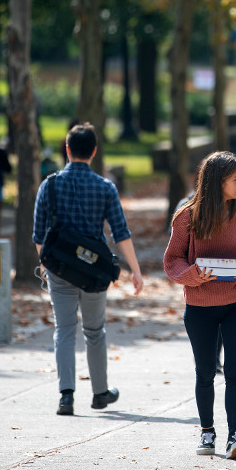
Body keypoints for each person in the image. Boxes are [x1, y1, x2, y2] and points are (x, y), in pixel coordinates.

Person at [33, 122, 144, 416]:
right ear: (94, 152)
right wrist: (135, 270)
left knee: (64, 330)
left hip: (59, 268)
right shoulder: (105, 187)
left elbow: (38, 233)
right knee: (95, 331)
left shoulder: (50, 184)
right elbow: (120, 232)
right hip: (93, 272)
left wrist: (45, 264)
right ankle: (99, 393)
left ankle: (66, 395)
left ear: (67, 150)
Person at [164, 152, 236, 460]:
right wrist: (192, 275)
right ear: (217, 182)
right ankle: (207, 432)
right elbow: (173, 260)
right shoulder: (187, 217)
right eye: (235, 179)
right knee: (205, 371)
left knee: (235, 371)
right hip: (199, 305)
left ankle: (235, 435)